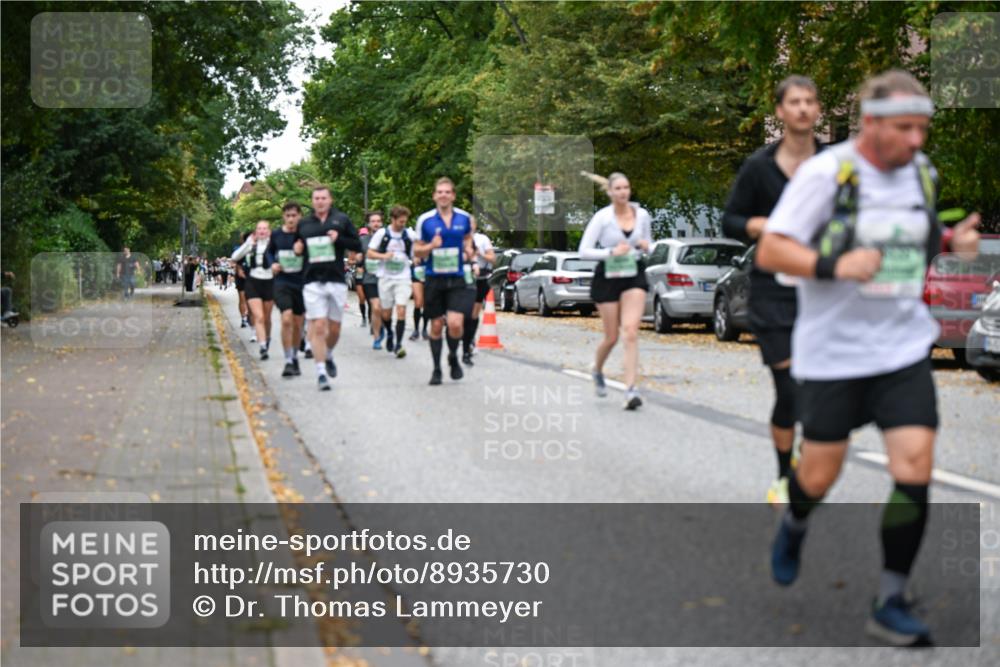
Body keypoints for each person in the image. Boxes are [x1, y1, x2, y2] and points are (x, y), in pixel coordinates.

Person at [757, 70, 980, 646]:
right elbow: (773, 248)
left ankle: (890, 596)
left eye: (922, 129)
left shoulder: (922, 175)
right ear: (874, 124)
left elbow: (917, 241)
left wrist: (953, 245)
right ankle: (797, 519)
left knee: (914, 467)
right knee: (819, 472)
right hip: (832, 354)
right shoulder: (827, 174)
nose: (916, 141)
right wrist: (836, 266)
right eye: (905, 128)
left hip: (902, 346)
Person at [722, 74, 824, 506]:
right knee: (789, 391)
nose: (802, 108)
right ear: (780, 111)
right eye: (794, 102)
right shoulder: (759, 168)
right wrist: (755, 225)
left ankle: (810, 453)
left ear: (818, 110)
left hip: (823, 293)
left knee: (817, 391)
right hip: (774, 292)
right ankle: (786, 474)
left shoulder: (835, 163)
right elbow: (730, 220)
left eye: (810, 101)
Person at [578, 172, 652, 410]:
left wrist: (645, 247)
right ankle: (597, 369)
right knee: (611, 337)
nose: (623, 192)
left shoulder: (642, 215)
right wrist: (610, 252)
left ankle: (631, 390)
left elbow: (649, 245)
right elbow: (584, 251)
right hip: (608, 275)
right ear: (610, 192)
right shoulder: (602, 218)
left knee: (630, 331)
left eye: (626, 187)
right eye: (618, 188)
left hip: (633, 273)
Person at [294, 185, 362, 391]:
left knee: (334, 328)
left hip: (336, 280)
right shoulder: (304, 223)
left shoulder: (341, 219)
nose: (320, 201)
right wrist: (297, 249)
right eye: (316, 198)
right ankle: (321, 371)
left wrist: (338, 239)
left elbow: (357, 245)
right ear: (313, 201)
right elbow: (298, 246)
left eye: (324, 198)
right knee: (318, 326)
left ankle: (329, 353)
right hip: (312, 281)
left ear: (330, 200)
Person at [414, 177, 476, 385]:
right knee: (436, 325)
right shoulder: (426, 220)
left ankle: (452, 357)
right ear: (434, 196)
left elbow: (468, 239)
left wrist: (468, 250)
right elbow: (416, 250)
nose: (443, 195)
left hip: (457, 278)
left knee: (455, 324)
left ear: (453, 195)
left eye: (447, 192)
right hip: (434, 279)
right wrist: (431, 246)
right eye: (439, 192)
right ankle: (437, 369)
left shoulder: (464, 218)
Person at [367, 205, 417, 359]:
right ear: (393, 219)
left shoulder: (409, 234)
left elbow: (416, 252)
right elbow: (369, 253)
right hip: (385, 277)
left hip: (403, 277)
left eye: (404, 221)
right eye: (400, 221)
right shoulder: (383, 234)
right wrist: (384, 256)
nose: (402, 224)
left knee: (401, 309)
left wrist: (416, 258)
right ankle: (389, 332)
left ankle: (398, 344)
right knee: (386, 313)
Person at [268, 202, 306, 377]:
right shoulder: (276, 235)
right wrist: (273, 264)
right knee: (286, 319)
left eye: (294, 215)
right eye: (288, 216)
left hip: (301, 283)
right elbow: (268, 253)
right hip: (282, 282)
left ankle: (295, 355)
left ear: (299, 216)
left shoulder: (305, 234)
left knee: (298, 324)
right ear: (284, 217)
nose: (291, 219)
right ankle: (288, 360)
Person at [232, 220, 276, 360]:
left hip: (269, 282)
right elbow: (235, 257)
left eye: (265, 228)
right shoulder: (250, 245)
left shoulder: (274, 244)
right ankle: (262, 346)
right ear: (255, 232)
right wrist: (247, 243)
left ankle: (266, 338)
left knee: (267, 317)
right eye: (259, 229)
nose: (262, 231)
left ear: (269, 231)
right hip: (253, 282)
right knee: (259, 316)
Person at [463, 216, 496, 365]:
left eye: (472, 224)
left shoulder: (482, 239)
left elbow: (493, 258)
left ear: (475, 225)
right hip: (463, 276)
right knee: (465, 311)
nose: (469, 226)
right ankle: (464, 336)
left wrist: (479, 254)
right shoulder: (459, 238)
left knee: (474, 312)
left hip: (481, 277)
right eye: (466, 224)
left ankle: (470, 340)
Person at [360, 212, 386, 348]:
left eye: (378, 221)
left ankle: (382, 326)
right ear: (368, 224)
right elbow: (357, 256)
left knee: (385, 309)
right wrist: (357, 260)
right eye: (373, 221)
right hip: (369, 279)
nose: (376, 223)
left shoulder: (388, 238)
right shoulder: (363, 240)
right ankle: (377, 336)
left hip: (386, 278)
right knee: (375, 307)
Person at [234, 232, 253, 331]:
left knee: (250, 299)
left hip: (251, 277)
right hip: (241, 277)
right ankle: (243, 318)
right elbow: (236, 263)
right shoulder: (239, 250)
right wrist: (239, 270)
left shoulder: (254, 249)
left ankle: (249, 315)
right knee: (242, 298)